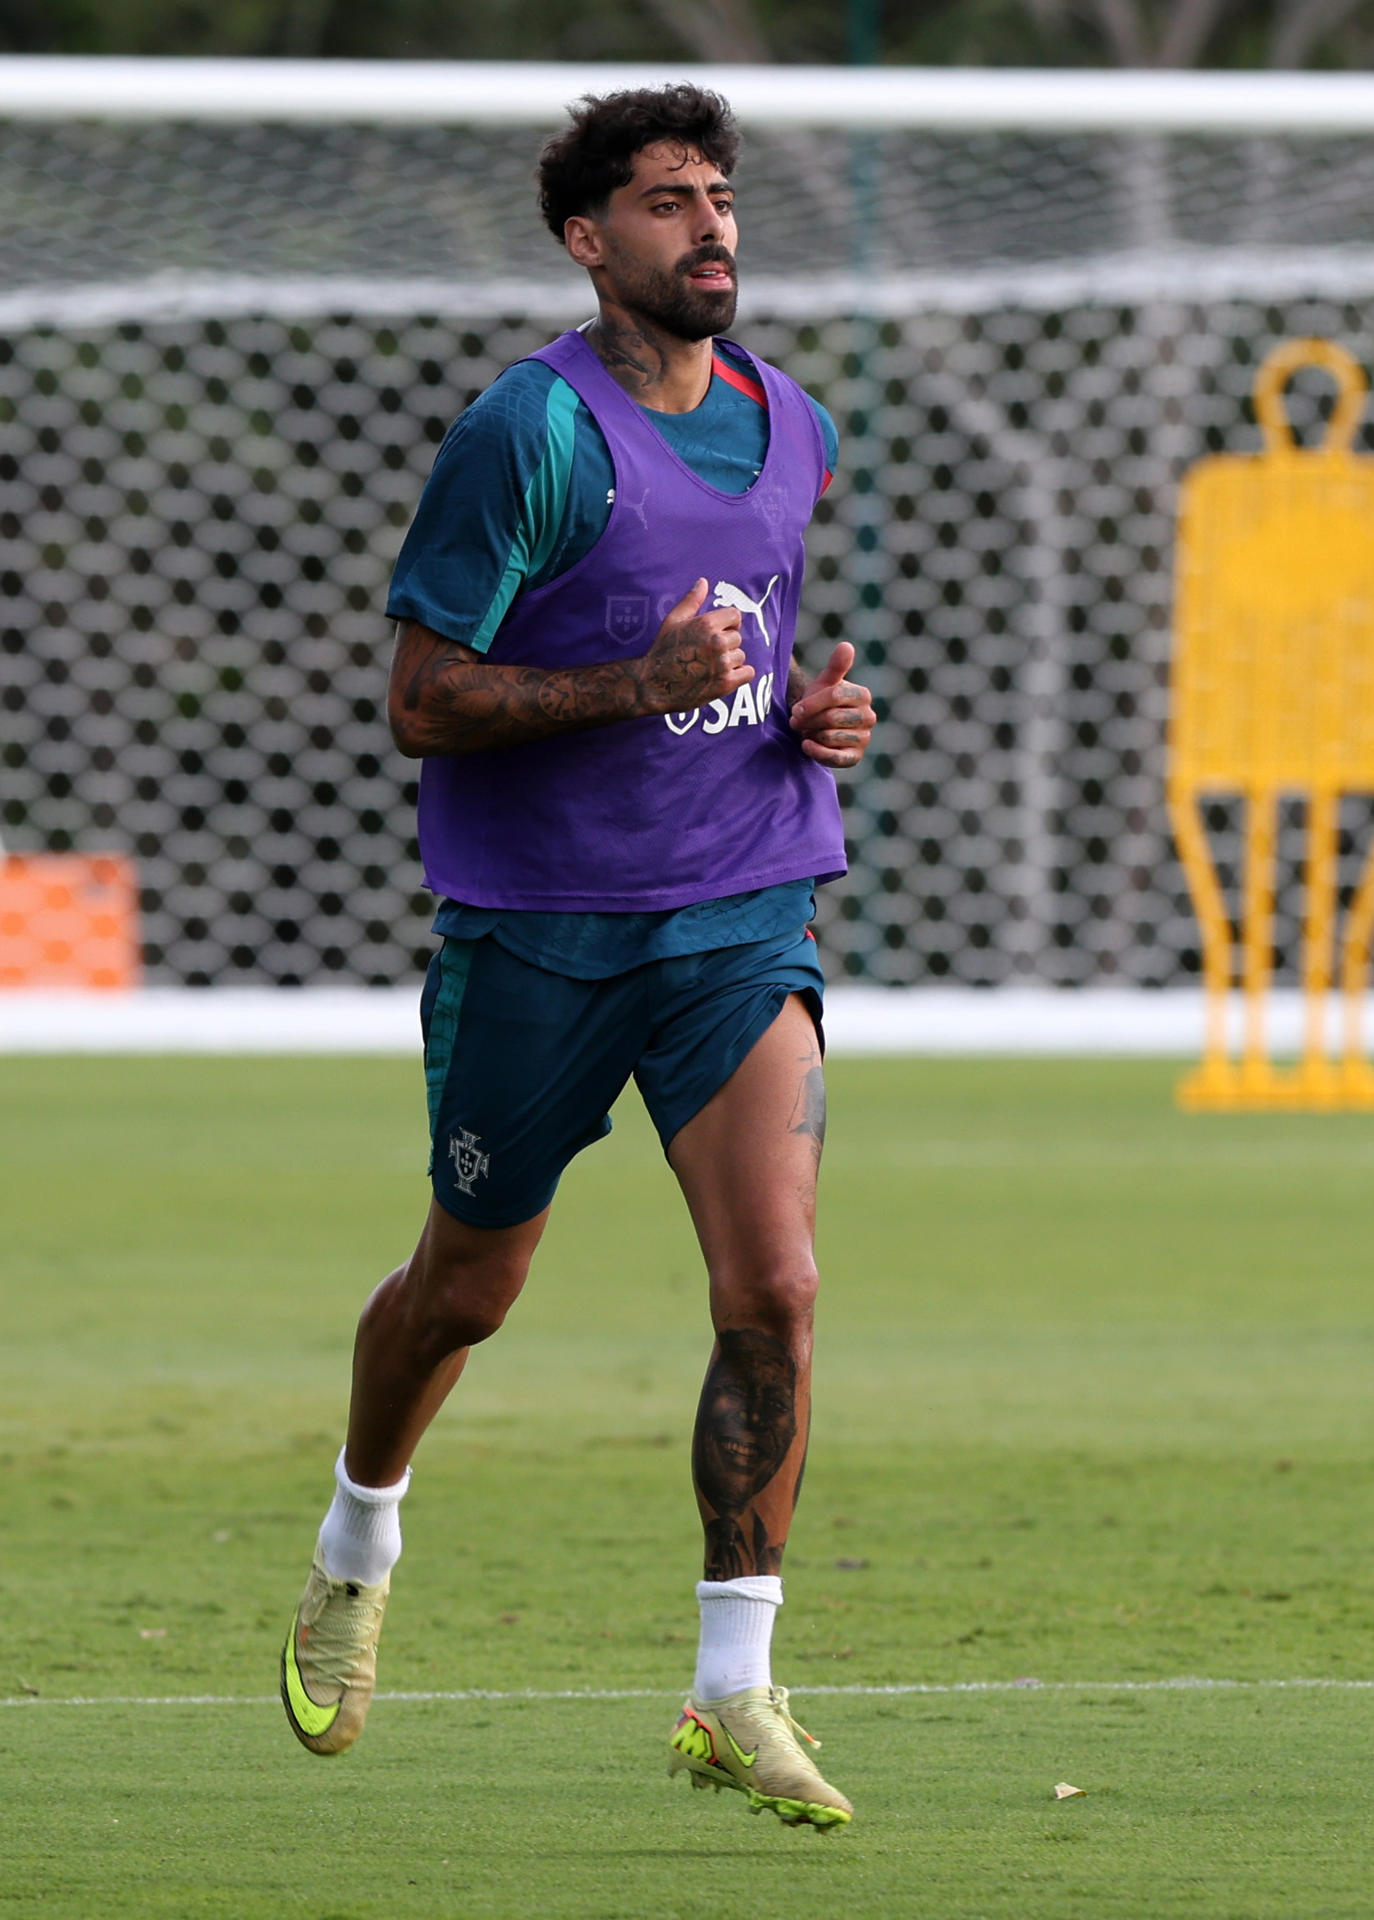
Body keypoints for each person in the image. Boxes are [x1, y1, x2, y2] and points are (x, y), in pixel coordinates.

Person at [280, 82, 876, 1832]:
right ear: (587, 238)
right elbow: (419, 704)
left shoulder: (793, 422)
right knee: (464, 1291)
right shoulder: (524, 436)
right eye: (669, 200)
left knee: (776, 1288)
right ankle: (357, 1533)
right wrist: (636, 686)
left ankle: (732, 1692)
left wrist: (814, 721)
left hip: (741, 911)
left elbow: (746, 668)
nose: (711, 226)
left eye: (723, 196)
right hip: (538, 934)